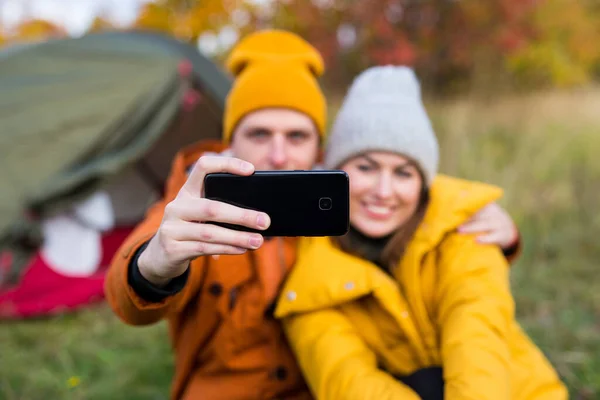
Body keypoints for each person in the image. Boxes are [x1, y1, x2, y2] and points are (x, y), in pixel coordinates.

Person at [104, 30, 522, 400]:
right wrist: (153, 265)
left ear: (319, 148)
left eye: (297, 136)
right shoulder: (197, 202)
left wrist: (494, 220)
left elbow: (407, 193)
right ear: (231, 140)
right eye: (259, 133)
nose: (280, 154)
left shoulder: (342, 197)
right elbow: (132, 300)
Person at [274, 66, 567, 400]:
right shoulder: (313, 272)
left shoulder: (467, 232)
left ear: (424, 184)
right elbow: (348, 384)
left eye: (403, 173)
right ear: (335, 174)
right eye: (366, 167)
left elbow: (476, 345)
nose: (384, 191)